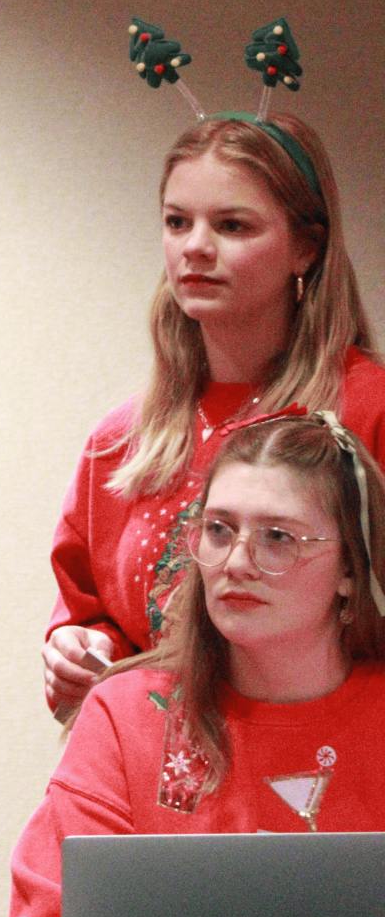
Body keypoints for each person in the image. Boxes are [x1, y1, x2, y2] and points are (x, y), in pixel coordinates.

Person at [7, 412, 385, 917]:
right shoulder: (126, 713)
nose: (236, 562)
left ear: (349, 569)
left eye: (278, 538)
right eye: (218, 530)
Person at [43, 112, 385, 717]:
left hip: (335, 760)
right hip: (157, 763)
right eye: (178, 222)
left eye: (231, 225)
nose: (195, 247)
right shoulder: (123, 440)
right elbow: (90, 609)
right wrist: (80, 649)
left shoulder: (367, 408)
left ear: (305, 246)